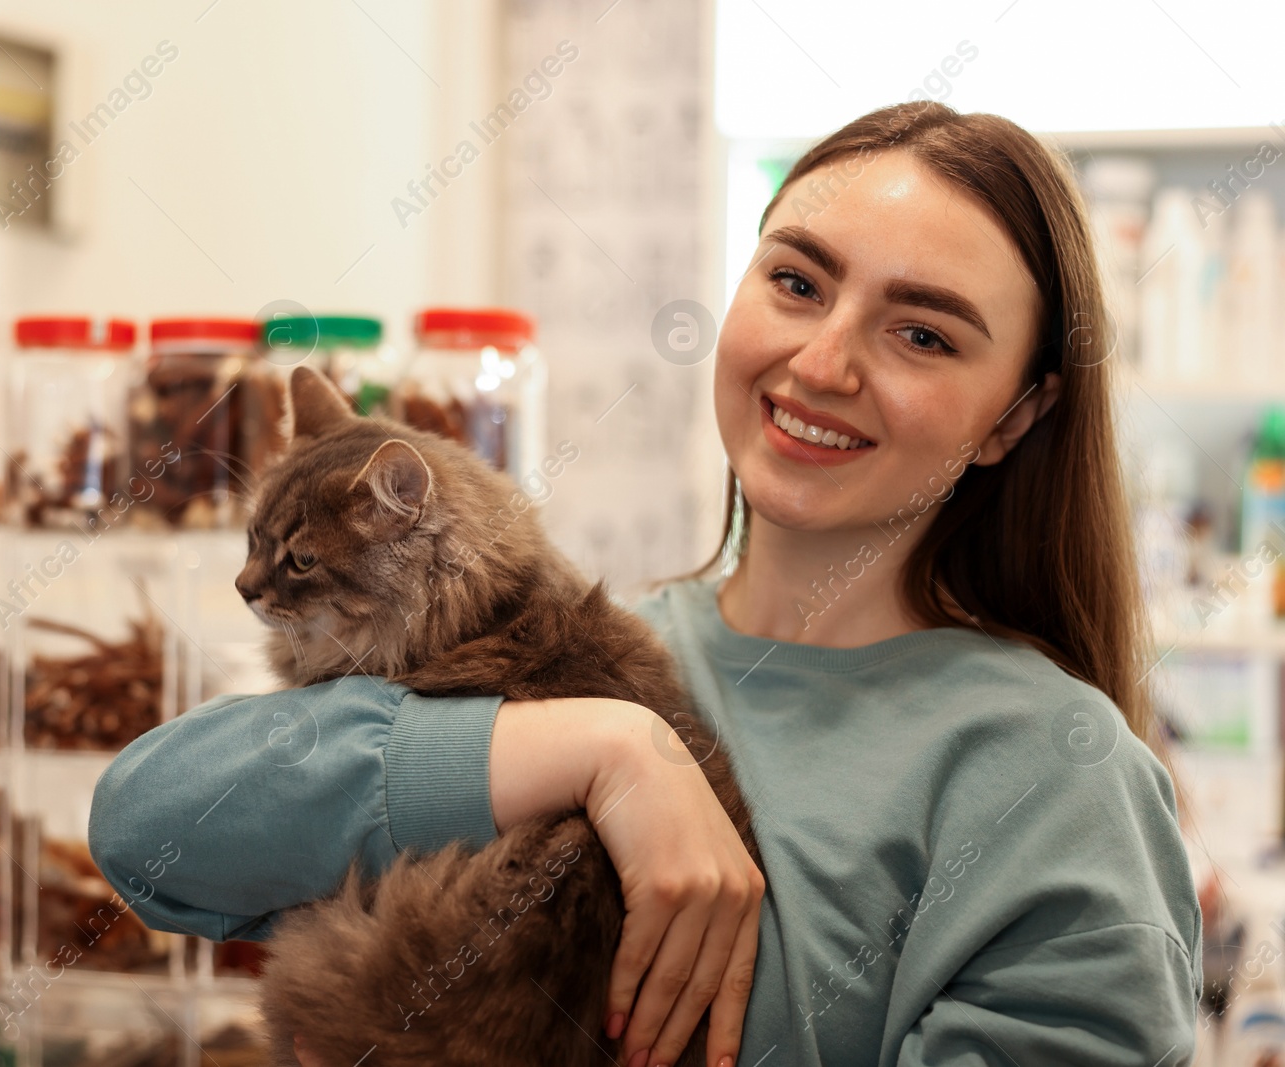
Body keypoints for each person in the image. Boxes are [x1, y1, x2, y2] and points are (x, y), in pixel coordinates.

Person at [89, 101, 1200, 1067]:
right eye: (796, 281)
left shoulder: (1052, 772)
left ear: (1013, 416)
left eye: (920, 331)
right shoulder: (576, 645)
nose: (823, 361)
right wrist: (612, 750)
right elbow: (147, 827)